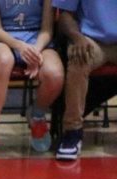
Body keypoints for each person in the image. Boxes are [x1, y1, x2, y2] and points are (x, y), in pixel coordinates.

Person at [0, 0, 64, 162]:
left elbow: (47, 30)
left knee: (54, 74)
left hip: (37, 41)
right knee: (3, 61)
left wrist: (35, 52)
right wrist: (20, 46)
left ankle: (37, 115)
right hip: (2, 39)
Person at [54, 0, 117, 160]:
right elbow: (64, 16)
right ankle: (72, 131)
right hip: (91, 41)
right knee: (78, 59)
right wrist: (77, 37)